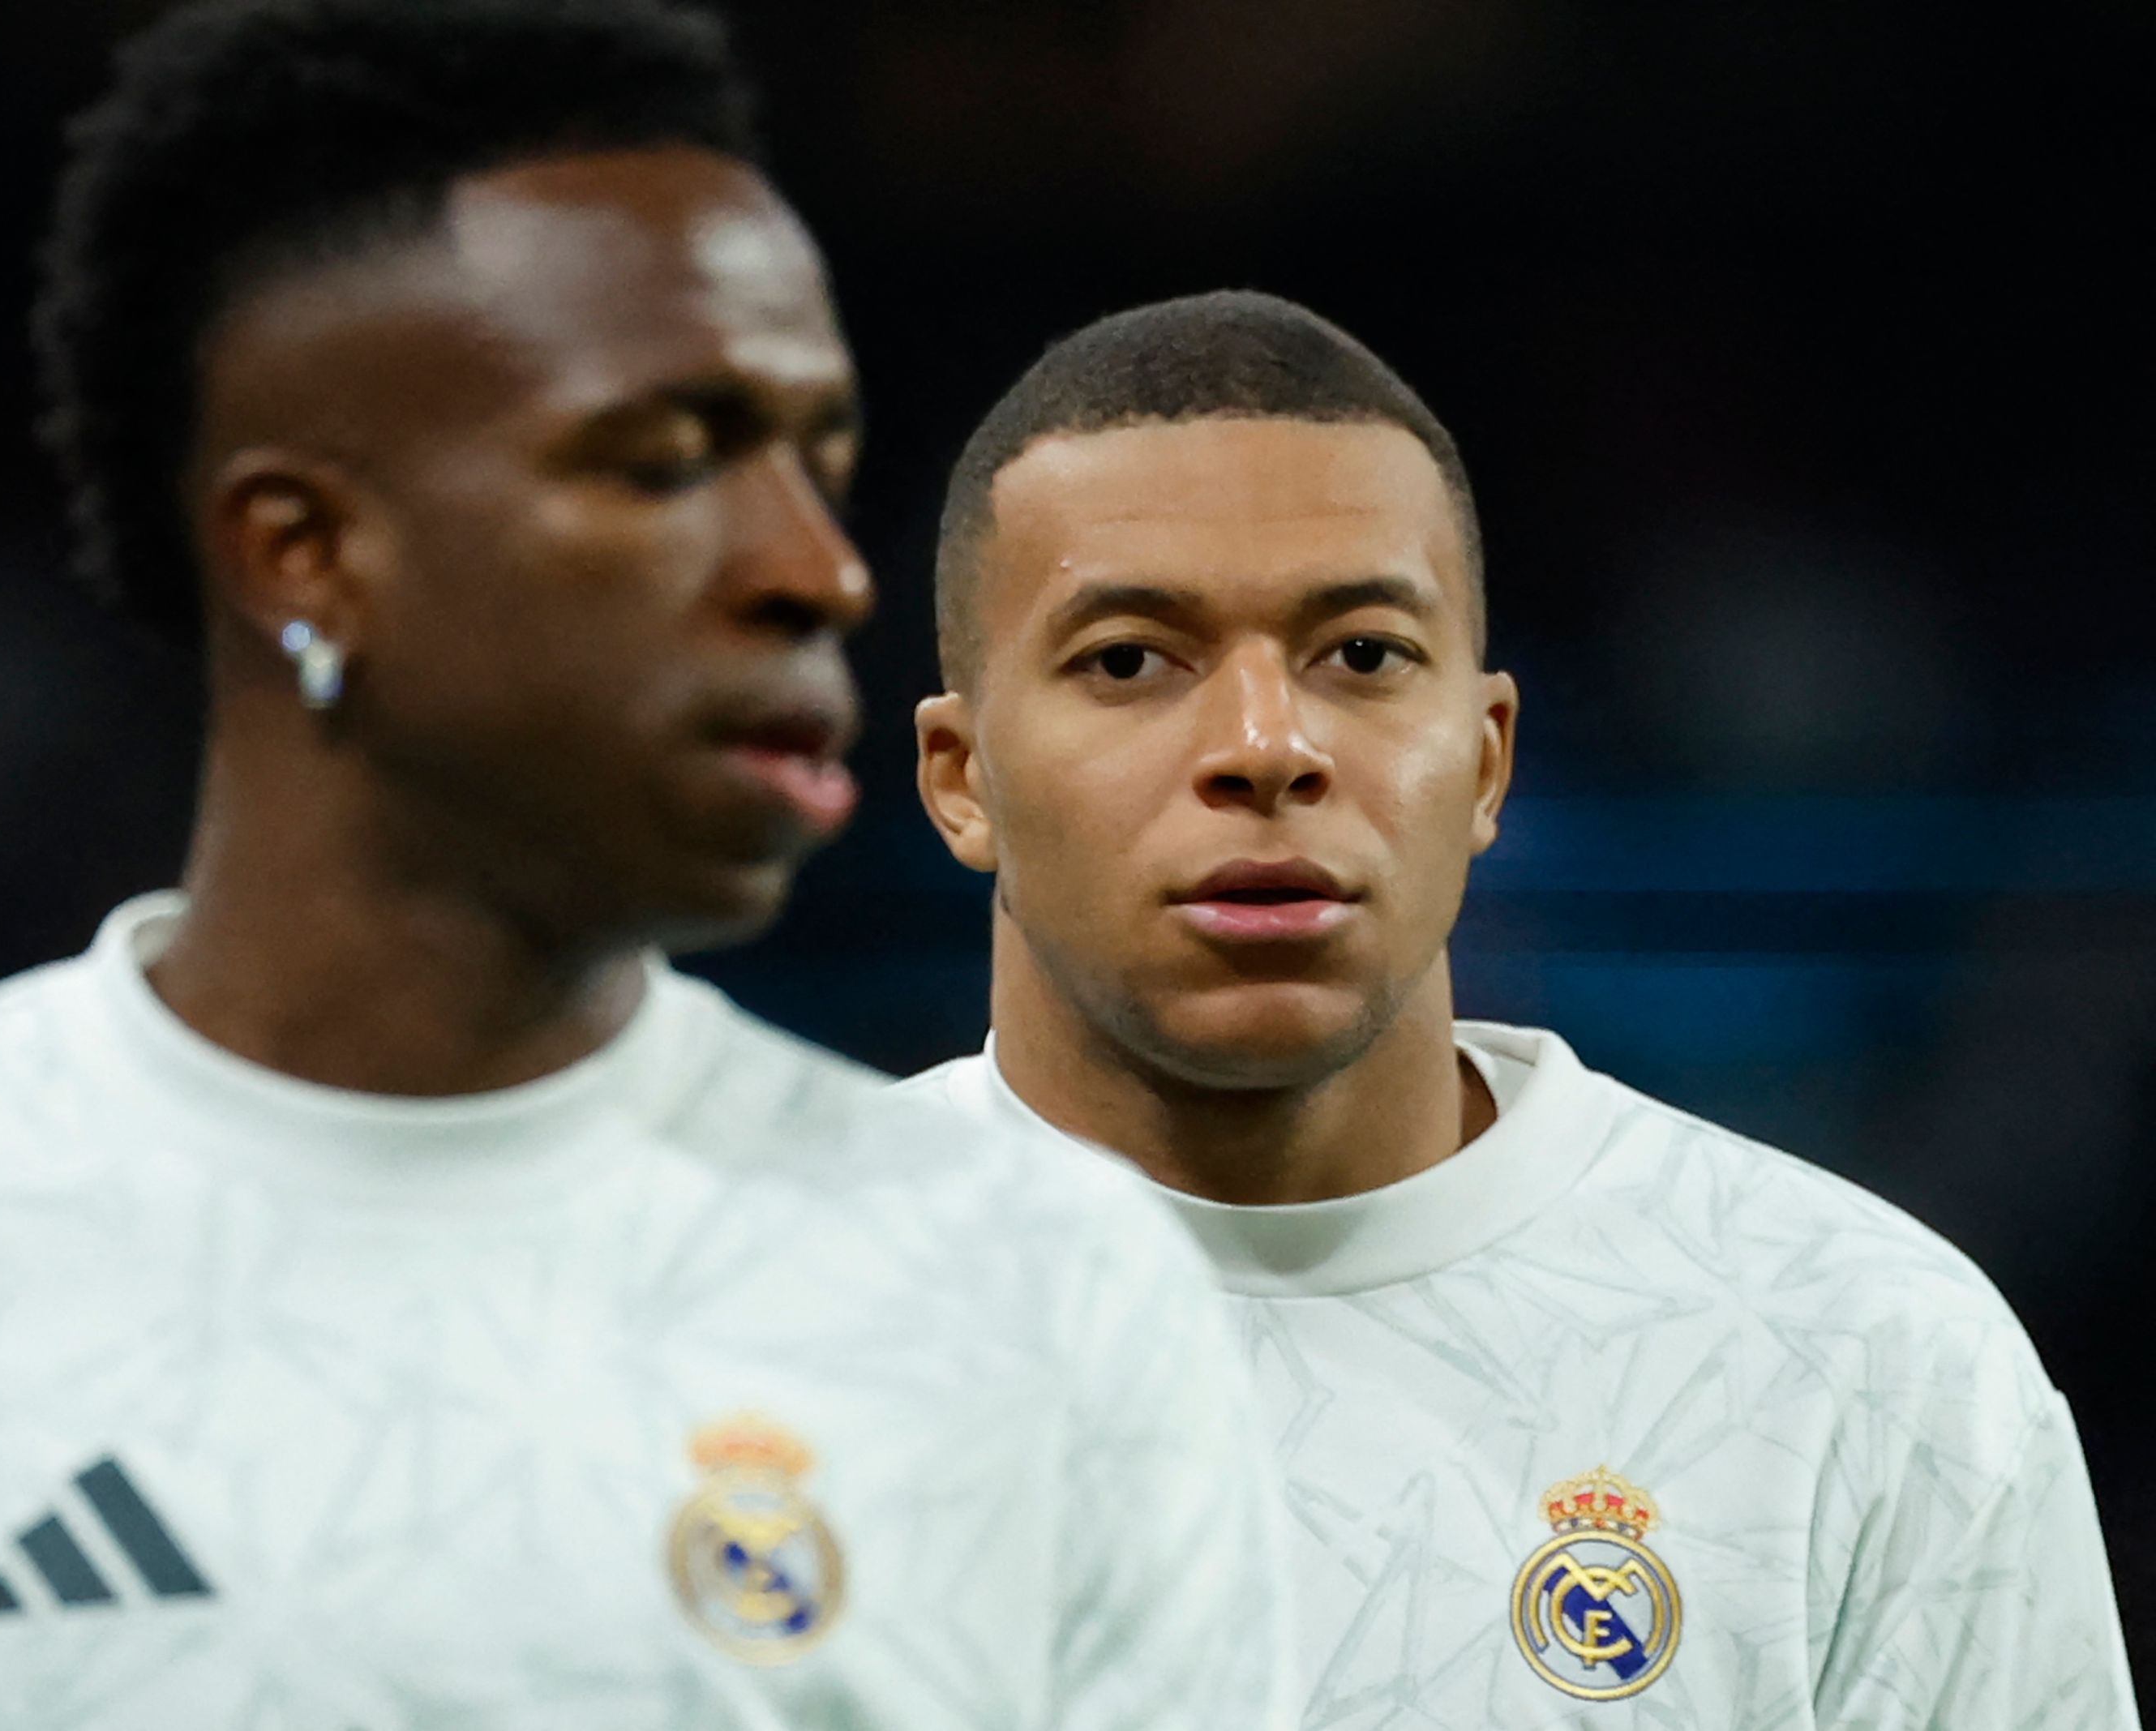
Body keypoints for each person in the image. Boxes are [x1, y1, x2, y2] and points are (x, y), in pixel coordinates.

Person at [0, 10, 1289, 1725]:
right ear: (306, 557)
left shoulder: (1035, 1288)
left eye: (815, 458)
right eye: (664, 459)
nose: (818, 569)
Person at [897, 289, 2138, 1727]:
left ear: (1487, 765)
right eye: (1128, 660)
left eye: (1360, 654)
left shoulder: (1860, 1356)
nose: (1264, 747)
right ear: (960, 776)